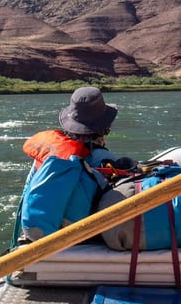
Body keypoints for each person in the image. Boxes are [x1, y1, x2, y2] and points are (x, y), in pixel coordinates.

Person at [18, 86, 131, 242]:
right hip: (76, 237)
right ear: (105, 127)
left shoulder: (48, 151)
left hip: (34, 229)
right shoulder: (103, 157)